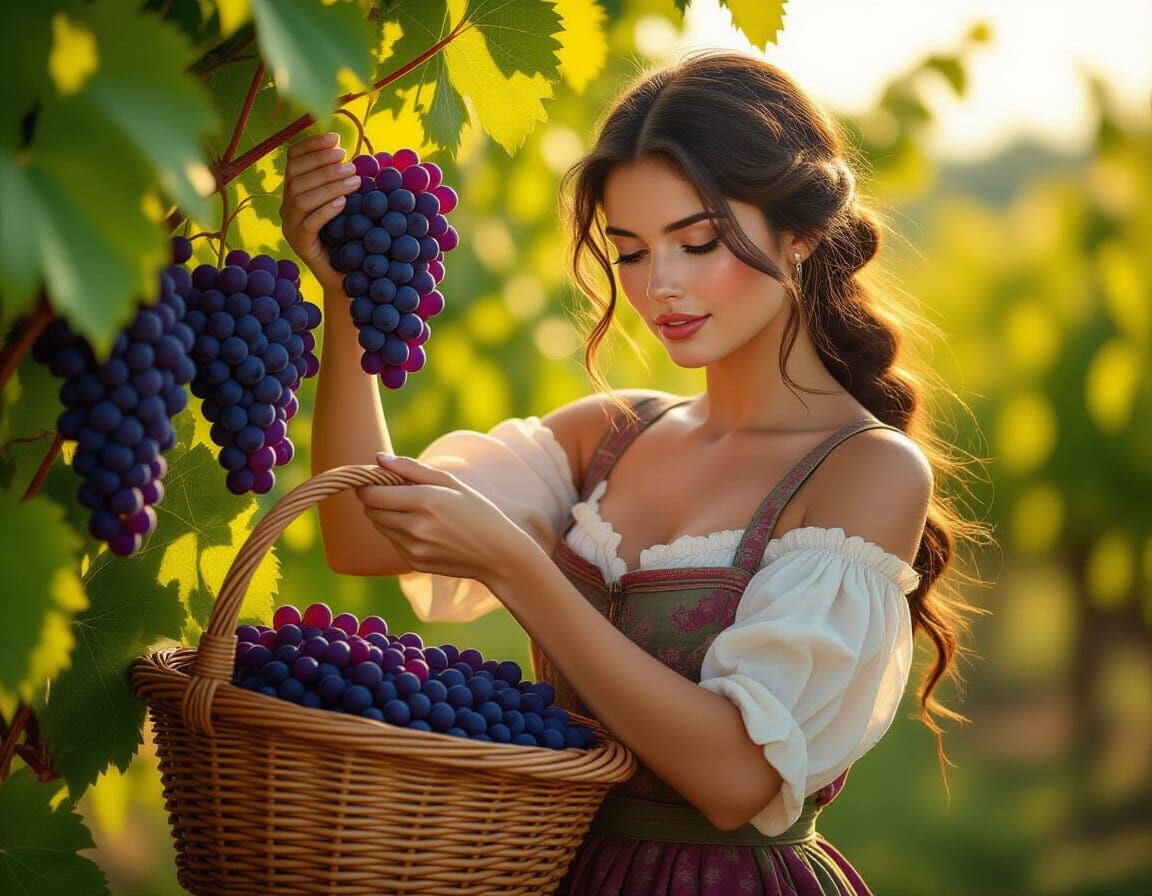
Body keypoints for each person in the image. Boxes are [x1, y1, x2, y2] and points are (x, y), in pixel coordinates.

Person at [280, 49, 981, 896]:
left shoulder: (866, 470)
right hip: (559, 872)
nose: (663, 287)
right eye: (633, 252)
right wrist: (350, 306)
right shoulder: (609, 435)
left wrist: (514, 564)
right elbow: (359, 531)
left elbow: (734, 782)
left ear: (799, 235)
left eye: (697, 242)